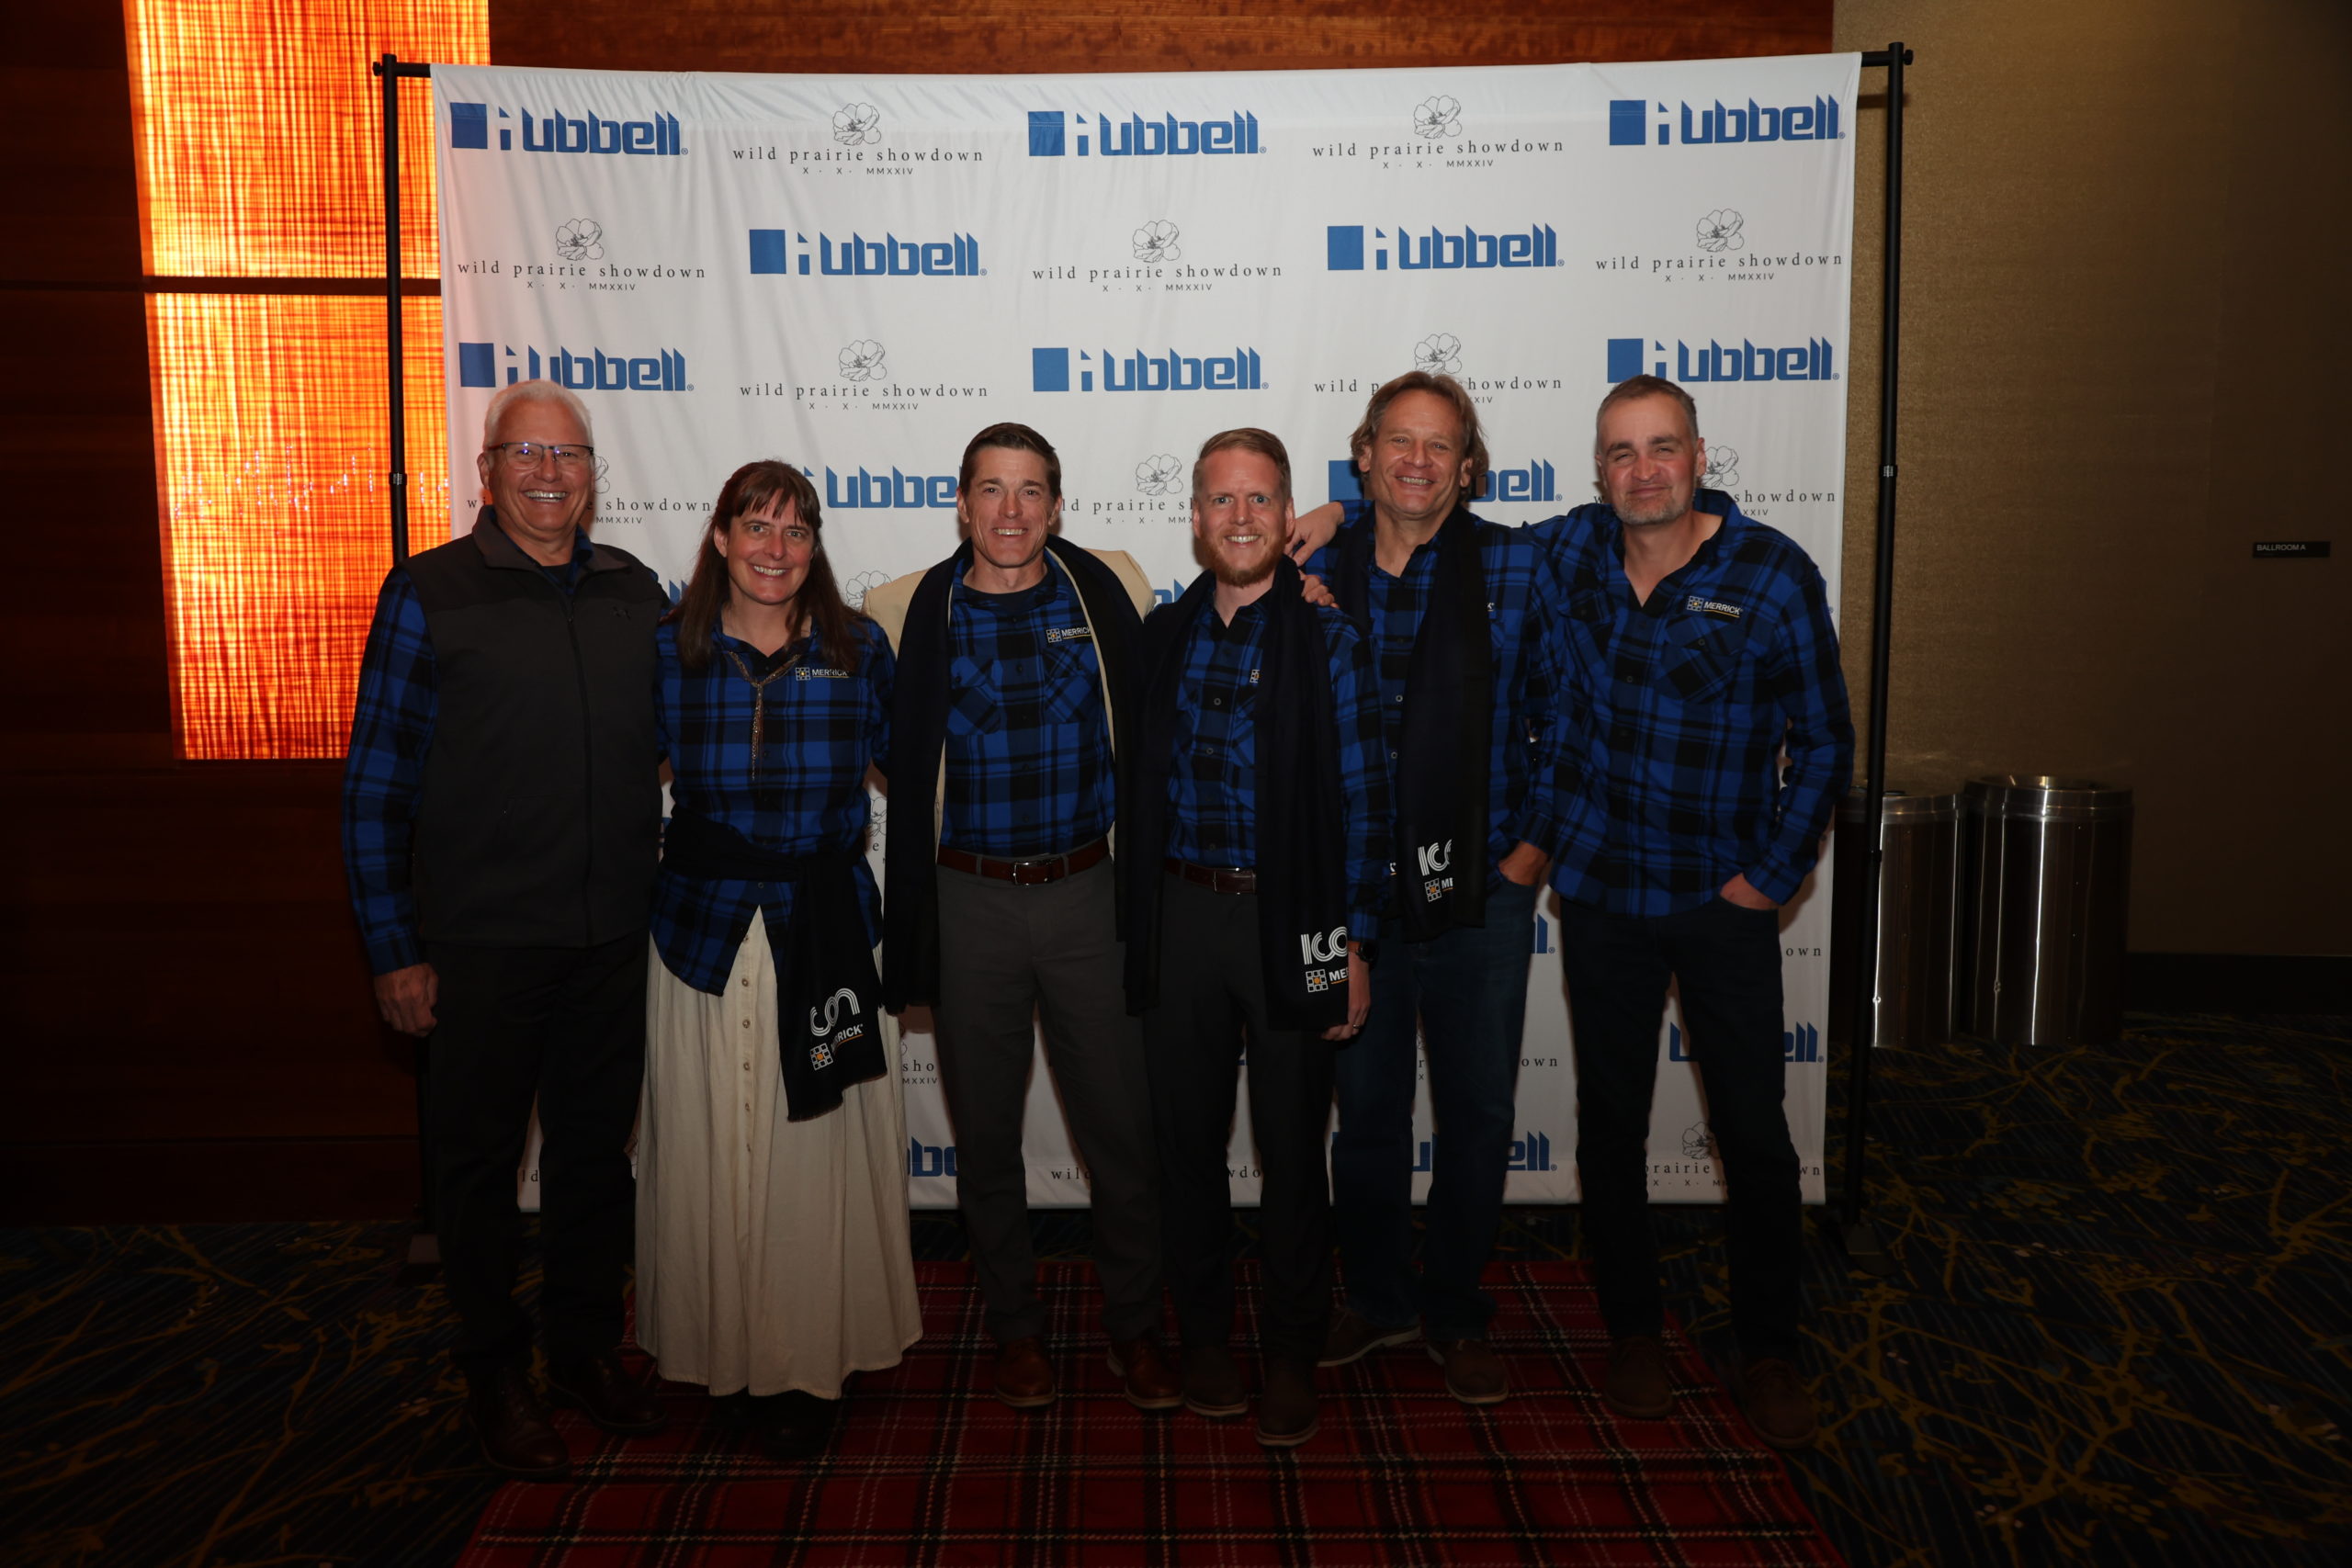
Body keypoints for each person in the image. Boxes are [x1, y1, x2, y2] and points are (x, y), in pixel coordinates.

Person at [343, 379, 667, 1478]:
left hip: (611, 937)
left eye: (567, 455)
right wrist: (393, 948)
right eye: (525, 453)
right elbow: (376, 787)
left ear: (592, 475)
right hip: (479, 947)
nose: (547, 473)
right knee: (477, 1173)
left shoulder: (634, 591)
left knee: (593, 1162)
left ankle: (581, 1351)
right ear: (486, 472)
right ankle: (493, 1372)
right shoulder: (428, 591)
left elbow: (675, 739)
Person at [1524, 375, 1852, 1449]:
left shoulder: (1771, 572)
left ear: (1700, 457)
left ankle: (1769, 1349)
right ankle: (1634, 1332)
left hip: (1721, 903)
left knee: (1753, 1133)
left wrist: (1769, 875)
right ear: (1598, 470)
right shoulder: (1569, 552)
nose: (1642, 470)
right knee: (1611, 1126)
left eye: (1661, 447)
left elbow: (1825, 742)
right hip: (1601, 897)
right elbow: (1444, 542)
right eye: (1620, 453)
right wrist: (1333, 518)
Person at [864, 423, 1179, 1413]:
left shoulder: (1113, 590)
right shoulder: (900, 611)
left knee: (1121, 1130)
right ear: (962, 505)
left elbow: (1227, 606)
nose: (1010, 511)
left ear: (1056, 504)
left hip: (1090, 895)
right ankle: (1015, 1328)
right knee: (987, 1136)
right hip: (968, 904)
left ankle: (1135, 1324)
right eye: (991, 490)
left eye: (1030, 490)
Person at [634, 461, 921, 1461]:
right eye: (756, 526)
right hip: (702, 934)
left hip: (828, 929)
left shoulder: (860, 648)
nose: (775, 549)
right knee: (709, 1146)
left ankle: (807, 1362)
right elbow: (610, 779)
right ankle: (721, 1353)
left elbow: (921, 773)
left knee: (813, 1159)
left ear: (815, 547)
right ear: (720, 537)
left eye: (797, 531)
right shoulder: (666, 649)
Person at [1124, 428, 1392, 1448]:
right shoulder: (1163, 635)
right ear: (1196, 517)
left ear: (1288, 518)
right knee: (1185, 1147)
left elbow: (1366, 805)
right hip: (1181, 914)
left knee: (1292, 1148)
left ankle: (1288, 1350)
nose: (1240, 518)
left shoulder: (1331, 640)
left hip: (1296, 915)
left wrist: (1355, 944)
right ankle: (1203, 1340)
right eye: (1221, 500)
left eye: (1260, 499)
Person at [1299, 373, 1556, 1405]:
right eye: (1397, 441)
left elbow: (1564, 716)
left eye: (1439, 445)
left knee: (1479, 1111)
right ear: (1363, 454)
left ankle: (1453, 1308)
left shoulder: (1521, 563)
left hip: (1482, 890)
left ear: (1468, 466)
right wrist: (1322, 521)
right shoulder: (1313, 565)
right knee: (1365, 1111)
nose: (1417, 461)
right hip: (1358, 896)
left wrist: (1528, 854)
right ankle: (1377, 1297)